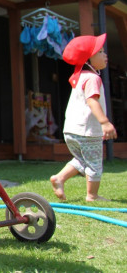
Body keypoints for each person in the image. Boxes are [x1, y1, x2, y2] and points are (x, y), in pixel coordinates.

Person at [50, 34, 118, 202]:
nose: (105, 55)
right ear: (88, 59)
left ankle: (59, 178)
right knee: (94, 162)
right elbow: (92, 100)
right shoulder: (93, 78)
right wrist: (105, 122)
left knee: (82, 159)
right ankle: (92, 195)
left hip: (72, 130)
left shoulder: (80, 77)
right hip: (87, 131)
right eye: (100, 52)